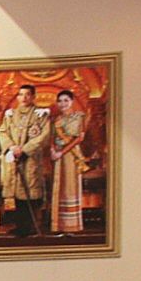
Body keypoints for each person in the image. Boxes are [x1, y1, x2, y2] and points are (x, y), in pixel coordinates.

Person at [0, 83, 52, 238]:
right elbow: (2, 132)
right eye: (21, 94)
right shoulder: (10, 115)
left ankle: (33, 226)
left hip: (31, 159)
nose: (24, 97)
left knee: (31, 192)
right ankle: (20, 226)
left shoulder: (41, 115)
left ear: (33, 97)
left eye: (27, 94)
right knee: (17, 193)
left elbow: (44, 136)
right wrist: (12, 147)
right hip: (14, 157)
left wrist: (25, 149)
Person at [49, 88, 89, 235]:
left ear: (72, 101)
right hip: (58, 157)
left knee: (69, 188)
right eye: (60, 101)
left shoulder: (79, 117)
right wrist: (53, 150)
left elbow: (78, 138)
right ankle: (59, 226)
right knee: (58, 188)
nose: (63, 103)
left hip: (71, 156)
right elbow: (52, 137)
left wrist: (61, 152)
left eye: (66, 100)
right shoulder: (56, 120)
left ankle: (71, 227)